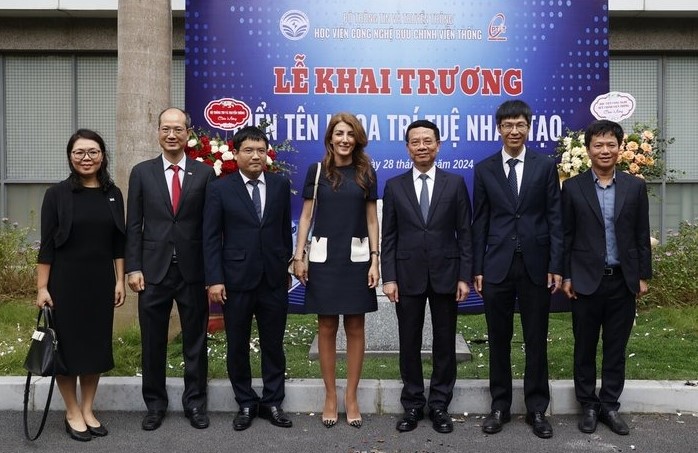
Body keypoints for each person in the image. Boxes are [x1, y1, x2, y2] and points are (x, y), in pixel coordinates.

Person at [472, 100, 563, 439]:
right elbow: (479, 220)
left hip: (536, 266)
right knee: (498, 339)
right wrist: (477, 267)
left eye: (520, 125)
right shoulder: (484, 169)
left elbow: (555, 217)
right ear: (499, 129)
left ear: (528, 128)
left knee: (536, 338)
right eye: (508, 125)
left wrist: (556, 264)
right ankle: (500, 406)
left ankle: (537, 408)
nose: (514, 131)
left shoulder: (544, 166)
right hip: (496, 266)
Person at [125, 107, 215, 431]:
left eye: (178, 129)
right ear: (158, 132)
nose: (172, 134)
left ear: (187, 133)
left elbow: (210, 226)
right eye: (166, 129)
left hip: (193, 272)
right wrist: (133, 268)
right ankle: (155, 405)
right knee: (153, 342)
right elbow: (133, 225)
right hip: (152, 273)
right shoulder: (141, 172)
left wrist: (213, 274)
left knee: (195, 341)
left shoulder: (204, 174)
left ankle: (195, 404)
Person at [381, 119, 472, 434]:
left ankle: (439, 405)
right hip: (406, 275)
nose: (422, 146)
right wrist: (388, 277)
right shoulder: (394, 185)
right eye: (415, 142)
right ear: (407, 147)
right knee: (409, 341)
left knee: (444, 342)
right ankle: (413, 404)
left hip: (447, 274)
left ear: (438, 145)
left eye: (427, 141)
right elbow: (388, 236)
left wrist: (465, 276)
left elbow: (465, 233)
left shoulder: (456, 183)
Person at [562, 119, 651, 436]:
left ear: (619, 148)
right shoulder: (573, 188)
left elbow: (642, 234)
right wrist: (567, 276)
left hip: (622, 281)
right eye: (597, 145)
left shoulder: (634, 187)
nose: (604, 150)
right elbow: (566, 235)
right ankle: (587, 405)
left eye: (610, 144)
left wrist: (642, 274)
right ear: (587, 150)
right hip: (585, 281)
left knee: (616, 347)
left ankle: (610, 406)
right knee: (584, 347)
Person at [36, 129, 126, 441]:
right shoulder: (57, 194)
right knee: (68, 350)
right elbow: (46, 245)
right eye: (79, 153)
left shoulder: (113, 193)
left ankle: (88, 409)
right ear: (70, 157)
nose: (86, 158)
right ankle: (72, 411)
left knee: (95, 348)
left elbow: (118, 242)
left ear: (103, 155)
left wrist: (119, 281)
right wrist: (42, 288)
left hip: (100, 283)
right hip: (65, 284)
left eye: (92, 152)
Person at [291, 113, 379, 429]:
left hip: (355, 258)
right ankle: (330, 396)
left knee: (355, 326)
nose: (344, 139)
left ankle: (351, 396)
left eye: (350, 134)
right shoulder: (317, 172)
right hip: (323, 259)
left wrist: (375, 259)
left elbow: (372, 220)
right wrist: (298, 256)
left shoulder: (366, 172)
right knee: (326, 326)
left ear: (357, 139)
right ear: (330, 137)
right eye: (339, 133)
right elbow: (305, 218)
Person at [203, 125, 293, 431]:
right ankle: (244, 401)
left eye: (260, 150)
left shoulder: (280, 185)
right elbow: (212, 237)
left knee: (273, 344)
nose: (255, 156)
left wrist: (285, 267)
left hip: (273, 280)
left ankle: (272, 401)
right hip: (235, 280)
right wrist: (215, 279)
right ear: (236, 153)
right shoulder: (220, 189)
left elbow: (283, 232)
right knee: (237, 345)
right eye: (248, 150)